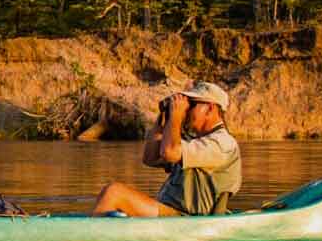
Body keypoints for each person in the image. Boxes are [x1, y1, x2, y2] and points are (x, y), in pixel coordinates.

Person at [92, 81, 241, 217]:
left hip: (187, 220)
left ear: (210, 108)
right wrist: (163, 120)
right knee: (111, 196)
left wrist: (176, 117)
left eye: (192, 104)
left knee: (114, 192)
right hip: (171, 214)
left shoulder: (222, 143)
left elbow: (169, 152)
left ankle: (90, 237)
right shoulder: (196, 141)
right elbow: (150, 158)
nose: (186, 110)